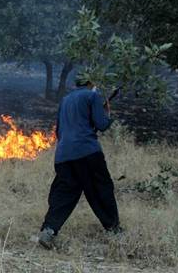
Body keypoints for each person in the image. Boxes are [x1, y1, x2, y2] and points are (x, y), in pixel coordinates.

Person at [37, 76, 121, 250]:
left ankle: (49, 230)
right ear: (91, 83)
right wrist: (108, 115)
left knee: (64, 193)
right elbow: (102, 124)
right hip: (87, 151)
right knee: (101, 189)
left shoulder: (65, 100)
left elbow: (59, 131)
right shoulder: (92, 96)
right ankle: (114, 230)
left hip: (63, 155)